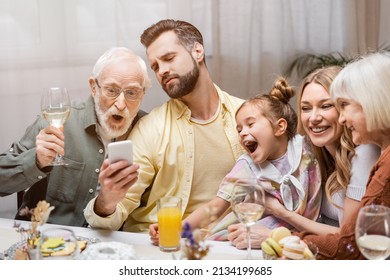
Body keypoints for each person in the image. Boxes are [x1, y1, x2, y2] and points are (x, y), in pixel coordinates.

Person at [84, 19, 245, 232]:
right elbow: (118, 210)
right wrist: (107, 200)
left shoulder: (245, 116)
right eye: (156, 66)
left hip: (227, 247)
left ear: (198, 51)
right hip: (160, 247)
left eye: (169, 58)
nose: (162, 71)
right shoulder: (150, 128)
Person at [148, 77, 322, 244]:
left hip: (302, 239)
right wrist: (176, 229)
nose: (243, 133)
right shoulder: (247, 166)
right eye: (239, 129)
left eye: (250, 124)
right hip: (246, 240)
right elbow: (215, 207)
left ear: (280, 127)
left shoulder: (305, 152)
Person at [227, 66, 380, 249]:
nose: (313, 118)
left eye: (326, 106)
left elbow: (350, 238)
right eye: (306, 108)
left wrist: (278, 232)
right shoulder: (311, 155)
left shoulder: (365, 152)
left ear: (344, 108)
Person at [0, 47, 151, 227]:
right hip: (48, 241)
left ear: (143, 94)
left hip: (108, 245)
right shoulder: (56, 122)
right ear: (93, 87)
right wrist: (37, 161)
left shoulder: (148, 131)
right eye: (111, 90)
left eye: (132, 93)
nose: (120, 104)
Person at [299, 51, 390, 259]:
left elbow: (352, 242)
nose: (341, 119)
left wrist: (292, 238)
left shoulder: (372, 154)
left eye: (343, 105)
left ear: (373, 103)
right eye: (305, 108)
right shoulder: (313, 153)